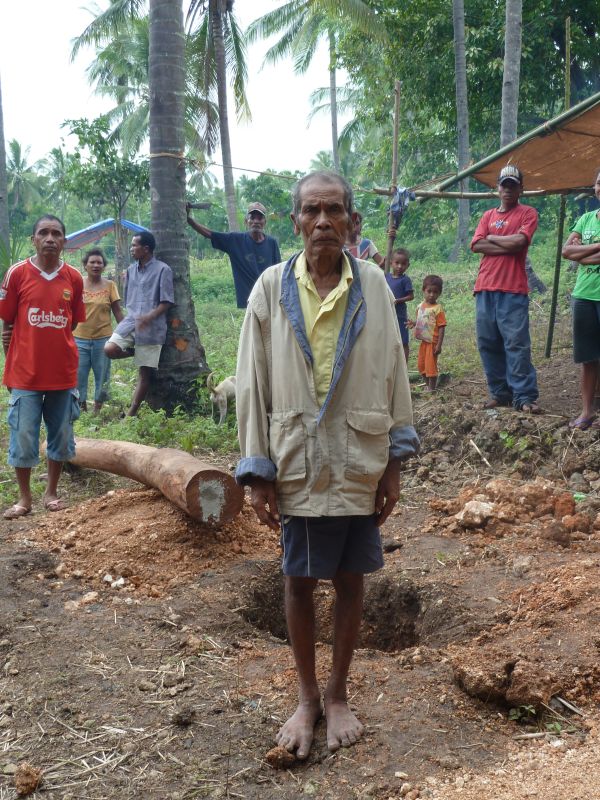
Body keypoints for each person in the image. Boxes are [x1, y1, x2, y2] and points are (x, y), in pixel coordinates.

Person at [235, 171, 419, 760]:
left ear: (351, 221)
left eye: (333, 210)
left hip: (358, 455)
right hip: (297, 458)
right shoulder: (270, 287)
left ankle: (338, 694)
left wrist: (394, 462)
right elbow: (252, 380)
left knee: (350, 579)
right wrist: (257, 470)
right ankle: (307, 696)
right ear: (295, 222)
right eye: (311, 211)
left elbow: (394, 367)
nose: (322, 222)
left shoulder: (374, 284)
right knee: (297, 579)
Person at [0, 214, 85, 519]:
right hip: (25, 374)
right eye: (44, 233)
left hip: (62, 373)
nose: (50, 238)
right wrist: (11, 353)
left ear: (64, 241)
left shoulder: (74, 277)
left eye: (56, 233)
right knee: (23, 434)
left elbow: (72, 322)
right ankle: (24, 499)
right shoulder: (17, 273)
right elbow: (7, 319)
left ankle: (51, 492)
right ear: (33, 239)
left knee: (60, 433)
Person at [471, 165, 541, 413]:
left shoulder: (528, 213)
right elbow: (476, 245)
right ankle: (500, 393)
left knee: (516, 343)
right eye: (504, 185)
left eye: (513, 185)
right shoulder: (487, 215)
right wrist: (507, 245)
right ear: (498, 188)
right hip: (485, 287)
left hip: (513, 289)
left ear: (521, 188)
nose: (508, 189)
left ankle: (524, 396)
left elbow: (520, 241)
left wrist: (492, 238)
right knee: (487, 342)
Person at [104, 232, 174, 417]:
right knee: (109, 349)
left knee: (145, 374)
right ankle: (137, 353)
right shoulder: (130, 270)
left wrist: (149, 317)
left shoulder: (163, 270)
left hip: (152, 328)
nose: (131, 249)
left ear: (146, 249)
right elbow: (128, 298)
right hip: (131, 322)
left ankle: (131, 414)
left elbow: (166, 302)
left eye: (134, 245)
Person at [561, 169, 600, 430]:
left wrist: (581, 254)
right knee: (587, 358)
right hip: (583, 295)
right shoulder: (586, 219)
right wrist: (597, 246)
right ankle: (587, 412)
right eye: (599, 183)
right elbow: (566, 251)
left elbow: (575, 253)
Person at [186, 202, 281, 308]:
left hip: (269, 299)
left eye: (260, 218)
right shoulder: (235, 240)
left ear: (265, 222)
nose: (256, 221)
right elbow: (210, 234)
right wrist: (189, 220)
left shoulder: (272, 243)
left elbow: (278, 272)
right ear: (246, 221)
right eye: (252, 218)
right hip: (250, 301)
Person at [74, 248, 123, 413]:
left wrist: (125, 334)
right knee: (79, 375)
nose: (95, 265)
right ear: (85, 265)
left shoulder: (110, 285)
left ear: (103, 266)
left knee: (102, 375)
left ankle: (97, 408)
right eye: (92, 262)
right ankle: (81, 407)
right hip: (79, 338)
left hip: (103, 339)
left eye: (99, 263)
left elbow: (117, 312)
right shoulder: (77, 283)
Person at [408, 275, 446, 391]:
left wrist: (439, 345)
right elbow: (422, 321)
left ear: (439, 293)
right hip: (423, 342)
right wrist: (414, 323)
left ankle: (431, 389)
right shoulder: (420, 306)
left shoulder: (438, 309)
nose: (431, 294)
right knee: (421, 365)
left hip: (432, 343)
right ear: (423, 290)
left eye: (435, 292)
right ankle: (428, 385)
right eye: (429, 291)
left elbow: (442, 327)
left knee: (431, 366)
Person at [385, 248, 414, 362]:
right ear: (391, 263)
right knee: (388, 340)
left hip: (400, 315)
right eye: (397, 263)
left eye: (403, 264)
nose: (400, 266)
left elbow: (411, 296)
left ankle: (404, 365)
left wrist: (398, 300)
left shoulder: (405, 280)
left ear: (408, 265)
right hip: (387, 314)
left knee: (403, 341)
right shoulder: (386, 277)